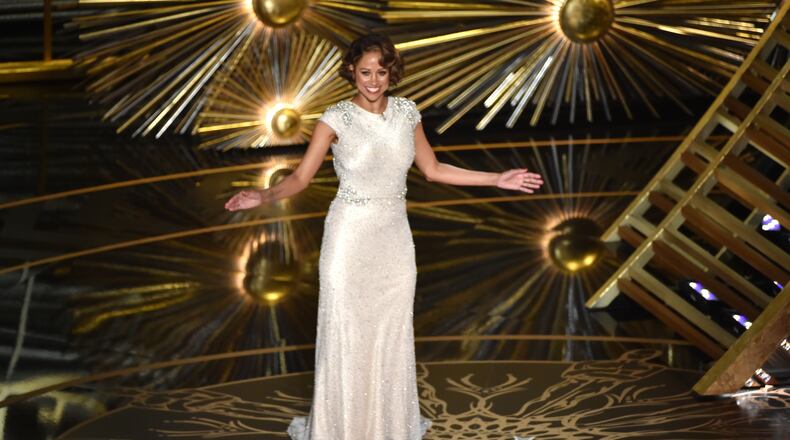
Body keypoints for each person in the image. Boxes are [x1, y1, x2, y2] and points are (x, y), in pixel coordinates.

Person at [225, 33, 544, 440]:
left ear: (392, 73)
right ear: (351, 73)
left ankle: (386, 427)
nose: (372, 81)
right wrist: (265, 194)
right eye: (364, 72)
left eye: (380, 72)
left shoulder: (408, 113)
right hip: (348, 240)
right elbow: (301, 179)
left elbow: (433, 169)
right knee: (346, 334)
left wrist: (497, 178)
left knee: (390, 334)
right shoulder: (334, 119)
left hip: (394, 241)